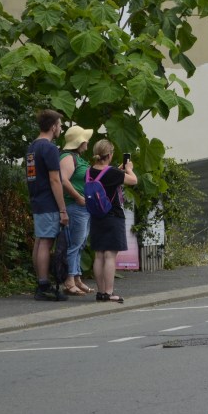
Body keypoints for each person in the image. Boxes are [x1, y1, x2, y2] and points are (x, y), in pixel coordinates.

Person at [26, 109, 70, 301]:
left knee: (39, 240)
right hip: (49, 201)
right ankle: (44, 286)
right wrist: (63, 209)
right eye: (59, 125)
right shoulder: (50, 148)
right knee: (46, 242)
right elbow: (55, 180)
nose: (60, 129)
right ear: (53, 127)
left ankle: (41, 282)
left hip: (37, 199)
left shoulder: (32, 147)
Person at [87, 139, 137, 303]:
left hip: (96, 216)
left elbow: (105, 178)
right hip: (113, 216)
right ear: (109, 155)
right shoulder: (113, 173)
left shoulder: (89, 171)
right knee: (110, 256)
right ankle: (109, 293)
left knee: (99, 255)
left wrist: (119, 171)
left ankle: (101, 292)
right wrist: (129, 170)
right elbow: (133, 180)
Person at [59, 125, 94, 296]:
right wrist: (77, 197)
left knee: (80, 244)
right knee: (75, 244)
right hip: (75, 206)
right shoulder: (67, 158)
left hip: (83, 207)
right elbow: (63, 180)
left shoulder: (77, 157)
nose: (87, 142)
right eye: (85, 139)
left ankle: (77, 278)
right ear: (79, 142)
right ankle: (69, 280)